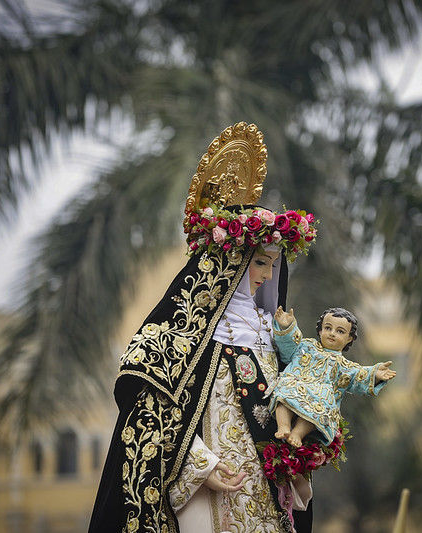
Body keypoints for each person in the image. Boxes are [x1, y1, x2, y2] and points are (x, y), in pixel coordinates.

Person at [87, 122, 318, 533]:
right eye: (258, 262)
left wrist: (302, 449)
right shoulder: (179, 333)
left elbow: (297, 400)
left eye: (272, 264)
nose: (266, 275)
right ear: (231, 262)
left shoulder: (274, 332)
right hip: (205, 492)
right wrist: (200, 467)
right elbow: (147, 412)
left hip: (265, 495)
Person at [269, 307, 396, 448]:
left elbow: (359, 376)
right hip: (294, 386)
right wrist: (287, 327)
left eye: (340, 331)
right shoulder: (306, 346)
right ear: (320, 330)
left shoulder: (345, 366)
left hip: (318, 400)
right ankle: (284, 426)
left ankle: (298, 433)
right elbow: (289, 347)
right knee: (283, 393)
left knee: (320, 409)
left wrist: (375, 374)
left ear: (349, 338)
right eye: (328, 328)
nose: (332, 334)